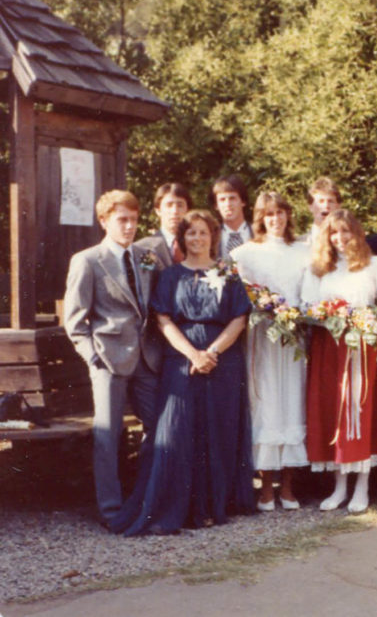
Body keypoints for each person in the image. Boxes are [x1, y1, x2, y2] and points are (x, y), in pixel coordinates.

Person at [110, 210, 254, 535]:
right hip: (181, 360)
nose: (197, 239)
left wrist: (212, 352)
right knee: (177, 429)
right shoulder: (170, 275)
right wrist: (193, 354)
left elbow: (239, 319)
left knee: (217, 429)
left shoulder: (227, 273)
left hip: (222, 361)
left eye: (203, 233)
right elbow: (163, 320)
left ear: (212, 236)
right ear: (182, 238)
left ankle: (215, 504)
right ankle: (179, 505)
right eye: (191, 233)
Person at [64, 190, 162, 525]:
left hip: (148, 359)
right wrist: (94, 358)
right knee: (107, 435)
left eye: (134, 220)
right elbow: (75, 321)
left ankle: (147, 498)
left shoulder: (146, 256)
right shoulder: (88, 260)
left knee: (159, 427)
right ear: (104, 221)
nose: (130, 226)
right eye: (122, 219)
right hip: (108, 359)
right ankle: (111, 510)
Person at [302, 210, 377, 513]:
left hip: (364, 348)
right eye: (334, 233)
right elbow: (306, 308)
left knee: (362, 412)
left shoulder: (375, 266)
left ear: (356, 233)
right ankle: (339, 486)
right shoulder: (318, 269)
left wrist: (364, 320)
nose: (340, 239)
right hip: (329, 349)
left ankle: (362, 486)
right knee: (334, 413)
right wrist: (330, 314)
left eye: (346, 232)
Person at [231, 192, 309, 510]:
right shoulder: (245, 254)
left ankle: (288, 486)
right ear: (260, 218)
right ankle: (265, 486)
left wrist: (296, 313)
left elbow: (309, 293)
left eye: (280, 213)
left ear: (288, 216)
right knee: (264, 403)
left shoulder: (302, 251)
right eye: (269, 214)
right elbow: (239, 296)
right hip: (262, 338)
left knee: (292, 402)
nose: (275, 219)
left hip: (293, 338)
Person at [136, 183, 192, 268]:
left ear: (187, 210)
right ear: (158, 210)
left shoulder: (198, 244)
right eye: (169, 205)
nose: (175, 211)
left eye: (180, 205)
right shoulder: (144, 248)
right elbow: (145, 280)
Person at [211, 175, 252, 257]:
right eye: (222, 200)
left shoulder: (259, 233)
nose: (228, 204)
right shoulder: (211, 237)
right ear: (216, 205)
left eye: (232, 198)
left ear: (243, 201)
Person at [301, 177, 342, 244]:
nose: (326, 205)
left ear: (338, 206)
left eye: (331, 201)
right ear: (310, 206)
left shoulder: (348, 245)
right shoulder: (299, 244)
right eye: (321, 201)